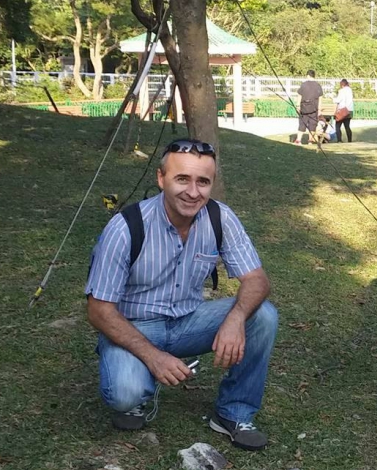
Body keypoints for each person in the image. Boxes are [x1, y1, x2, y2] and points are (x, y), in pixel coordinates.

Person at [85, 138, 279, 448]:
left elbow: (257, 279)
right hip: (135, 326)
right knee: (124, 395)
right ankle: (137, 383)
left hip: (189, 321)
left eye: (203, 181)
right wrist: (154, 357)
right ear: (161, 179)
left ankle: (233, 412)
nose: (193, 191)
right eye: (182, 179)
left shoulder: (220, 217)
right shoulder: (126, 227)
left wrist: (236, 319)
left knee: (263, 315)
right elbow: (98, 310)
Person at [297, 70, 322, 144]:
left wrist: (298, 105)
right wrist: (319, 109)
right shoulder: (318, 85)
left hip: (304, 108)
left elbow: (299, 95)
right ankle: (310, 140)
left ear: (308, 76)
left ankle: (298, 140)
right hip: (314, 109)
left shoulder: (303, 85)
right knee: (313, 125)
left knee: (302, 124)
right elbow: (320, 98)